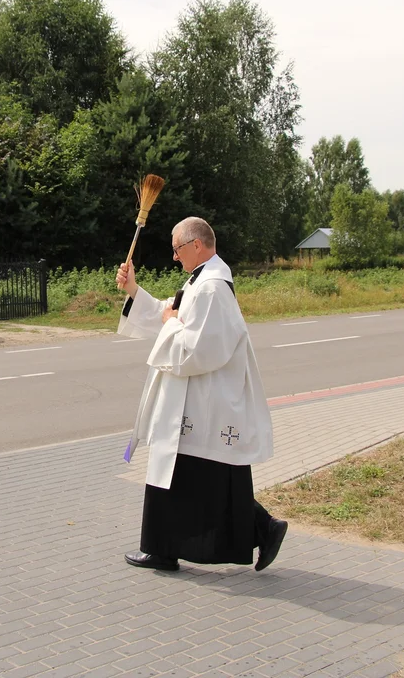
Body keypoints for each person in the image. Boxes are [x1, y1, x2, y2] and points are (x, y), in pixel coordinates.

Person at [115, 216, 287, 573]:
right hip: (193, 399)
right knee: (192, 478)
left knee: (202, 479)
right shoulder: (201, 282)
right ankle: (165, 548)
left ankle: (260, 527)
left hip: (205, 402)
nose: (175, 257)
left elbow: (197, 349)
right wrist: (134, 290)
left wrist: (169, 325)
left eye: (177, 249)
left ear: (196, 245)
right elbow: (171, 311)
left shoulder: (211, 288)